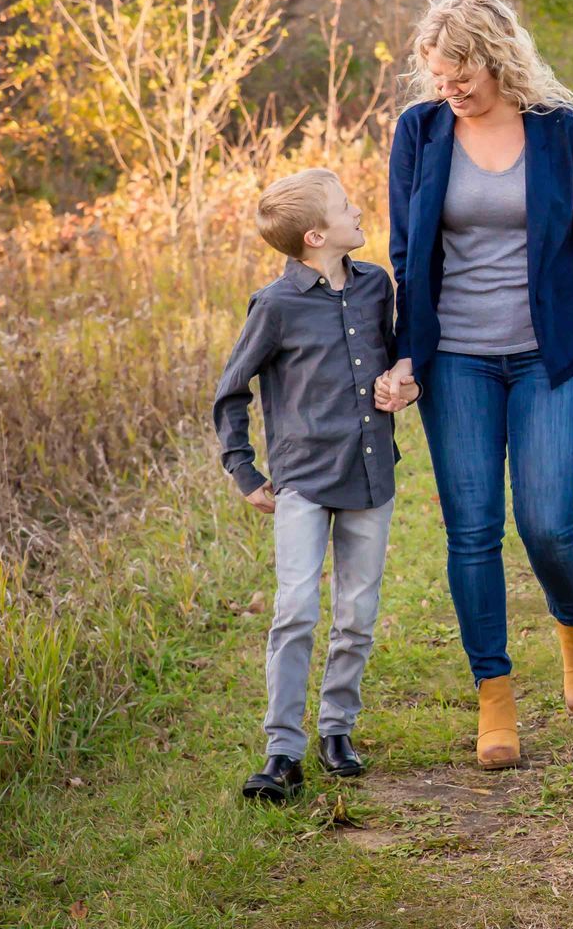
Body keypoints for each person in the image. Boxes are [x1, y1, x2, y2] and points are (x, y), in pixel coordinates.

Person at [376, 0, 573, 770]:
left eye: (462, 75)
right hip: (455, 360)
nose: (450, 90)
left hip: (550, 357)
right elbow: (407, 256)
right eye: (439, 77)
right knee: (471, 531)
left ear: (498, 60)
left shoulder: (563, 129)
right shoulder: (420, 131)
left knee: (546, 521)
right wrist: (405, 353)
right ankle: (494, 696)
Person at [212, 168, 403, 801]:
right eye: (346, 207)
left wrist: (403, 386)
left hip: (369, 472)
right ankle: (283, 751)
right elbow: (230, 392)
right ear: (317, 236)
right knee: (295, 610)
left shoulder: (376, 286)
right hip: (302, 480)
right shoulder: (275, 305)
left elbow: (396, 361)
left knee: (357, 614)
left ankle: (337, 728)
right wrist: (244, 471)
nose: (358, 211)